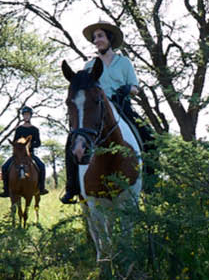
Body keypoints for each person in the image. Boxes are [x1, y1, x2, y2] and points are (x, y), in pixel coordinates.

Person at [60, 21, 153, 204]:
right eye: (95, 38)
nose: (97, 40)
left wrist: (127, 89)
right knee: (72, 141)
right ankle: (72, 187)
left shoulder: (124, 62)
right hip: (97, 109)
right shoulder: (89, 65)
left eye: (100, 36)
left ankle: (151, 184)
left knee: (148, 136)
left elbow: (136, 88)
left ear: (109, 38)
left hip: (121, 106)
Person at [0, 106, 50, 197]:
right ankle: (6, 190)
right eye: (24, 115)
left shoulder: (35, 129)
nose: (26, 116)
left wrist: (29, 145)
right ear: (23, 116)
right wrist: (19, 146)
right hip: (18, 154)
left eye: (28, 115)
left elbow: (38, 143)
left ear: (30, 116)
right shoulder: (19, 129)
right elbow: (15, 141)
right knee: (4, 167)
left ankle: (41, 188)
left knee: (42, 166)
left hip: (30, 154)